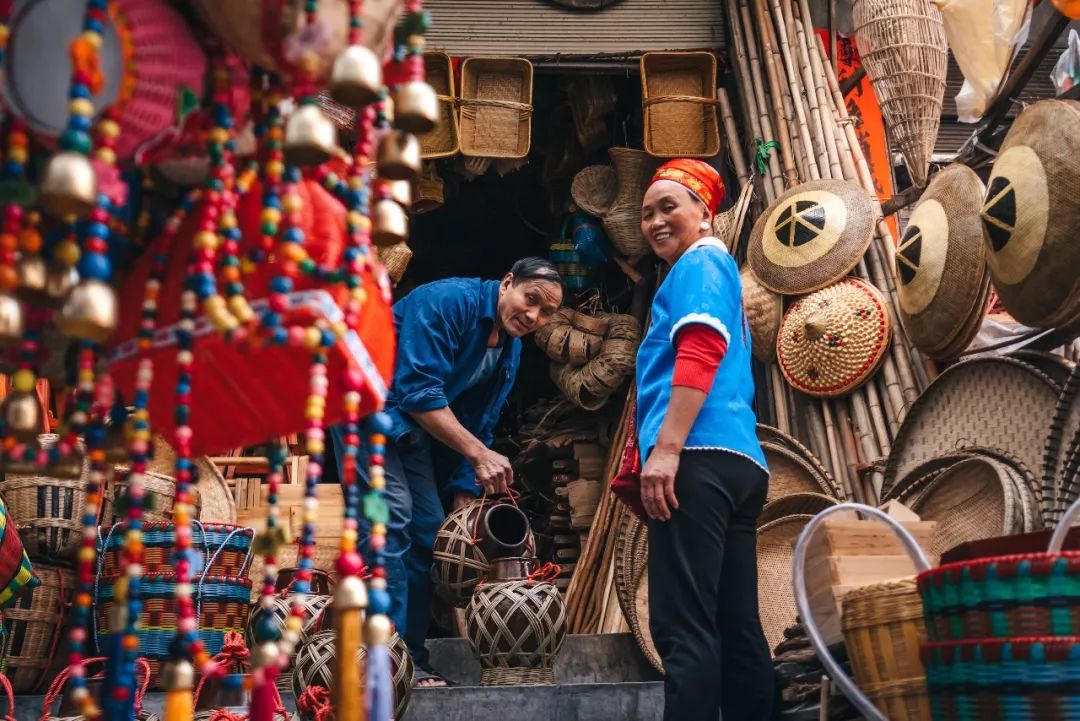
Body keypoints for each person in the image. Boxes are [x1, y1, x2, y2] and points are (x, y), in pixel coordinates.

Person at [330, 258, 563, 687]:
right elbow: (419, 392)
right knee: (390, 523)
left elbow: (481, 422)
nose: (534, 316)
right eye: (530, 300)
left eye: (546, 313)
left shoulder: (509, 349)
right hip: (363, 409)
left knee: (428, 533)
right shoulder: (447, 302)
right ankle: (379, 660)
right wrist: (477, 456)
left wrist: (463, 486)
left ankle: (410, 660)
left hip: (407, 428)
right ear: (507, 281)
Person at [635, 159, 774, 720]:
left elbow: (699, 351)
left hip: (696, 457)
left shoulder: (700, 265)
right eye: (647, 213)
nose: (656, 221)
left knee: (683, 627)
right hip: (738, 461)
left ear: (704, 212)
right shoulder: (714, 270)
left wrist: (666, 450)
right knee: (735, 625)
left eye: (670, 206)